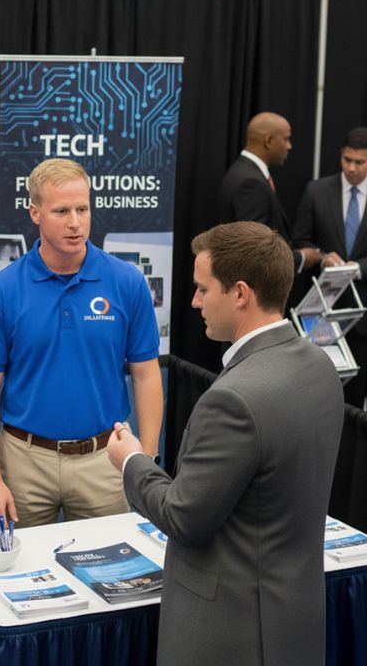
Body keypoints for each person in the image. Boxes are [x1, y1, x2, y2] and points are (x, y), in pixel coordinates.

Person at [108, 222, 343, 666]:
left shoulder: (232, 400)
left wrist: (131, 461)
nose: (194, 302)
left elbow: (183, 518)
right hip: (296, 624)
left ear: (240, 294)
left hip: (228, 635)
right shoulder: (320, 367)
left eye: (202, 289)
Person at [0, 158, 162, 528]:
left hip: (105, 458)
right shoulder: (0, 291)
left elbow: (146, 375)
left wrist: (145, 462)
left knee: (111, 560)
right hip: (24, 460)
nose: (75, 222)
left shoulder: (127, 282)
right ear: (35, 213)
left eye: (82, 209)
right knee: (21, 563)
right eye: (61, 211)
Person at [293, 127, 367, 408]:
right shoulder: (317, 190)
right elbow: (300, 240)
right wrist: (323, 258)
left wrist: (358, 268)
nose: (352, 168)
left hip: (362, 318)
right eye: (347, 160)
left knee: (355, 404)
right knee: (318, 398)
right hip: (321, 314)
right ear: (340, 155)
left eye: (360, 162)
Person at [217, 111, 321, 273]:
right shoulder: (251, 183)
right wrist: (301, 257)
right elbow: (255, 250)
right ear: (269, 140)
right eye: (286, 139)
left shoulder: (242, 172)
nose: (289, 146)